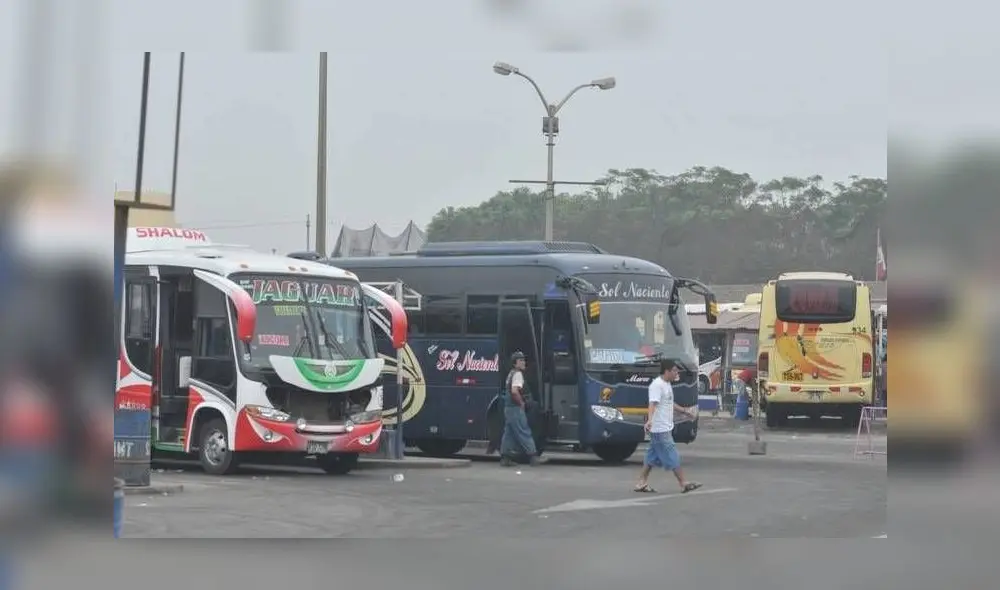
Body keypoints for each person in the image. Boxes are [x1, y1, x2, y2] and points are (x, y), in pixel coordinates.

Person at [634, 358, 702, 493]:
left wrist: (685, 411)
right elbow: (652, 404)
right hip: (659, 428)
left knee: (652, 456)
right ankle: (683, 483)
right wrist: (650, 421)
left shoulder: (667, 384)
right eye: (675, 371)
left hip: (665, 427)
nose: (677, 373)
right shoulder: (657, 385)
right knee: (672, 455)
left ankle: (641, 482)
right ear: (666, 371)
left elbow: (669, 403)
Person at [500, 352, 545, 466]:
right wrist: (521, 403)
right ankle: (533, 457)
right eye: (521, 361)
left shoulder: (511, 373)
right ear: (515, 363)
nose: (524, 362)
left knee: (509, 433)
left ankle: (505, 458)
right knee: (524, 431)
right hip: (515, 408)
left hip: (508, 408)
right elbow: (515, 391)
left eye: (524, 360)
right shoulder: (518, 374)